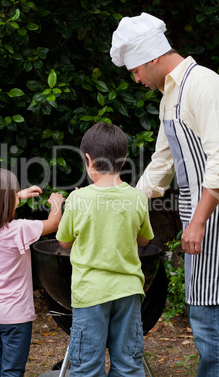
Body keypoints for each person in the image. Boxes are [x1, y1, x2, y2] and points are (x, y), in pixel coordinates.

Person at [110, 12, 219, 377]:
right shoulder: (169, 98)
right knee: (202, 309)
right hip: (203, 215)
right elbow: (162, 164)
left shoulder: (205, 85)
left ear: (153, 57)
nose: (136, 79)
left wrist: (198, 221)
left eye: (136, 70)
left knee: (210, 315)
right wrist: (118, 204)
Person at [56, 122, 154, 376]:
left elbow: (64, 242)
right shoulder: (137, 198)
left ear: (88, 160)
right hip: (128, 292)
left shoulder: (78, 199)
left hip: (90, 293)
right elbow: (144, 241)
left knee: (87, 366)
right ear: (123, 161)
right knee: (128, 365)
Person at [0, 166, 65, 377]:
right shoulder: (19, 229)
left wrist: (18, 195)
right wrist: (56, 203)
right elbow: (54, 223)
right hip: (15, 317)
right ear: (5, 201)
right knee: (12, 371)